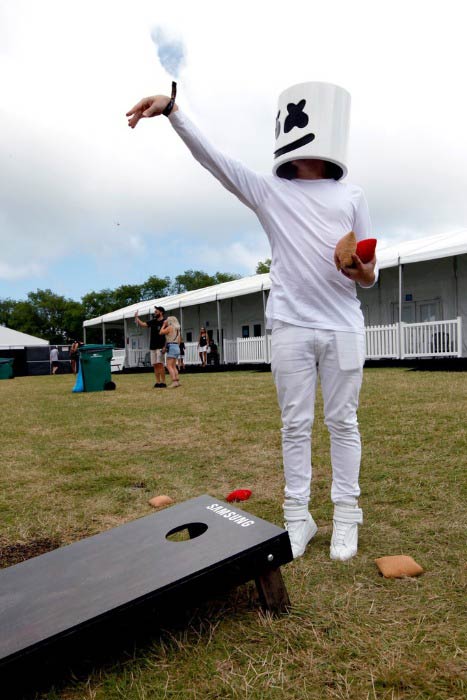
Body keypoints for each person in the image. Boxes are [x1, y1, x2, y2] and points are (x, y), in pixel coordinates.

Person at [126, 81, 378, 562]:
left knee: (343, 423)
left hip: (344, 324)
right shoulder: (269, 190)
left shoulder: (353, 195)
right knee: (295, 425)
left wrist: (363, 269)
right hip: (290, 325)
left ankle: (347, 517)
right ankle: (296, 516)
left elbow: (370, 274)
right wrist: (174, 109)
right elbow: (215, 161)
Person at [135, 306, 167, 388]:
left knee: (160, 364)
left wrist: (165, 346)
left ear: (161, 312)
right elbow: (143, 324)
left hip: (161, 346)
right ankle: (158, 382)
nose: (154, 313)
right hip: (152, 346)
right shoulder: (153, 321)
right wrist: (136, 317)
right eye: (154, 312)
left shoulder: (165, 322)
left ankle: (163, 382)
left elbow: (168, 335)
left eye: (156, 312)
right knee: (155, 365)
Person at [160, 315, 182, 388]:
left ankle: (174, 381)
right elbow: (179, 341)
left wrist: (163, 325)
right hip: (176, 347)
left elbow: (161, 332)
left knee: (169, 366)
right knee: (173, 366)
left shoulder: (170, 328)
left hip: (172, 347)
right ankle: (177, 381)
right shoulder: (178, 330)